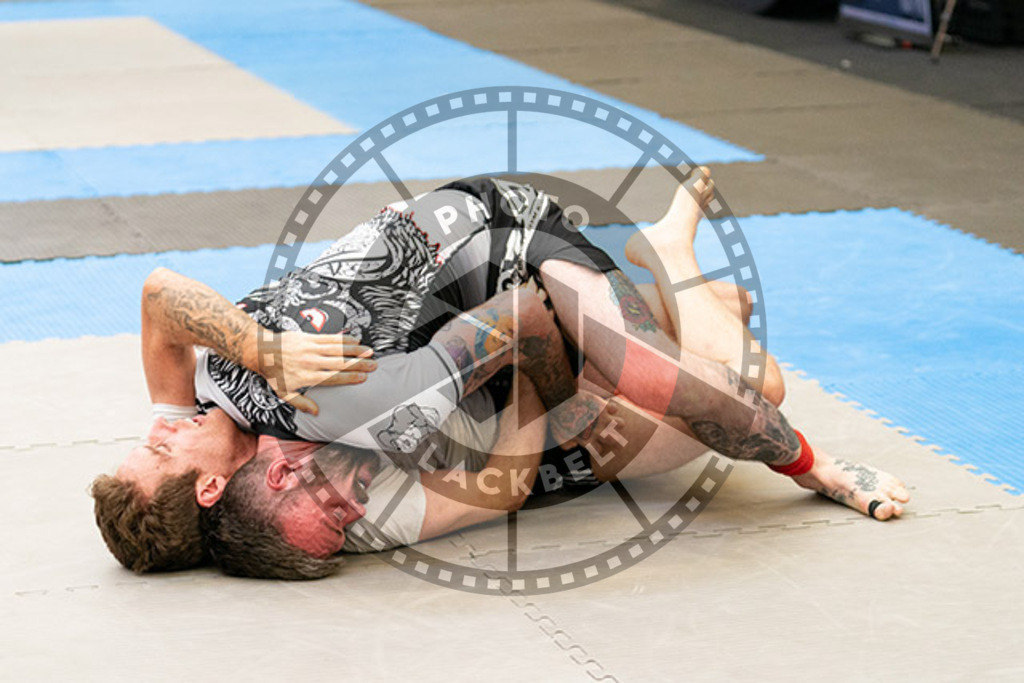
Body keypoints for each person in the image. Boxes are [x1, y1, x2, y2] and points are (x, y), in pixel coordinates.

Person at [199, 169, 911, 579]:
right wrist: (551, 410)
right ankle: (676, 278)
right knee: (759, 384)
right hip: (509, 370)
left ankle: (678, 287)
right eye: (343, 530)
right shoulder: (335, 522)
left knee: (673, 381)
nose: (353, 513)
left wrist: (807, 465)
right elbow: (501, 488)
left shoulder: (324, 396)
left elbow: (525, 316)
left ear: (284, 471)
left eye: (334, 511)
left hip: (509, 254)